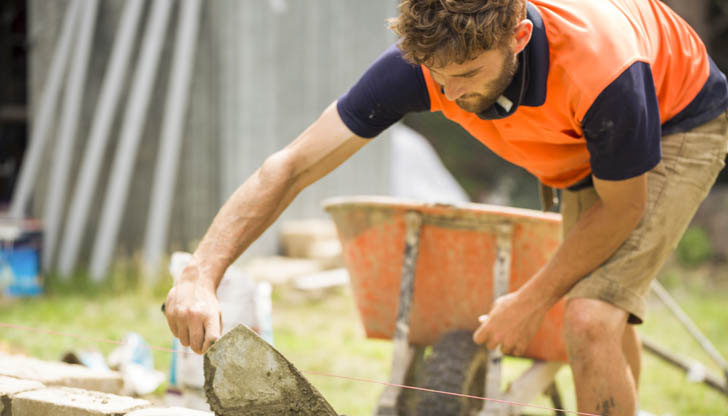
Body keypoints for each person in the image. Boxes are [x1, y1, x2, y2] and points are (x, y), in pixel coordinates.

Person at [164, 0, 728, 414]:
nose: (451, 95)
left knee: (586, 316)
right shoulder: (422, 66)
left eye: (468, 75)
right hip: (581, 142)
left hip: (678, 117)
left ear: (519, 36)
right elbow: (289, 167)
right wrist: (200, 273)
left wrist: (529, 301)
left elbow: (621, 210)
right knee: (601, 304)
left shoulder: (604, 70)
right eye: (438, 77)